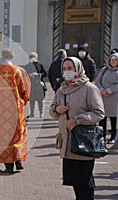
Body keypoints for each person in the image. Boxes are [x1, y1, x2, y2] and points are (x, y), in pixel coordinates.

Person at [49, 57, 104, 200]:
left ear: (78, 69)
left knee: (85, 181)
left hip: (83, 141)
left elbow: (99, 113)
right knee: (74, 182)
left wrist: (77, 120)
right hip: (67, 143)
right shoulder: (62, 89)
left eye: (70, 68)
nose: (67, 71)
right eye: (65, 69)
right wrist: (57, 109)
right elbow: (52, 110)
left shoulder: (89, 88)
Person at [0, 48, 30, 173]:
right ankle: (18, 160)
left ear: (2, 57)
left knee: (3, 134)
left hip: (0, 109)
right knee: (17, 133)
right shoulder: (18, 71)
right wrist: (24, 99)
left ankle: (9, 166)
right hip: (15, 107)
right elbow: (24, 89)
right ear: (12, 57)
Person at [94, 52, 118, 144]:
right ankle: (101, 136)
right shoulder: (104, 70)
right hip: (103, 97)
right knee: (102, 117)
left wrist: (109, 90)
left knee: (113, 118)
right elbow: (97, 81)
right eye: (112, 60)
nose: (113, 62)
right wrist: (101, 89)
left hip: (114, 99)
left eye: (115, 60)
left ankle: (113, 136)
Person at [23, 52, 47, 118]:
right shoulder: (27, 65)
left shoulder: (39, 64)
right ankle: (32, 113)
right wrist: (29, 75)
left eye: (33, 57)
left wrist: (38, 74)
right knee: (31, 100)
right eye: (31, 57)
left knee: (40, 99)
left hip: (38, 84)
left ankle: (41, 112)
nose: (32, 58)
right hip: (31, 84)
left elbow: (44, 73)